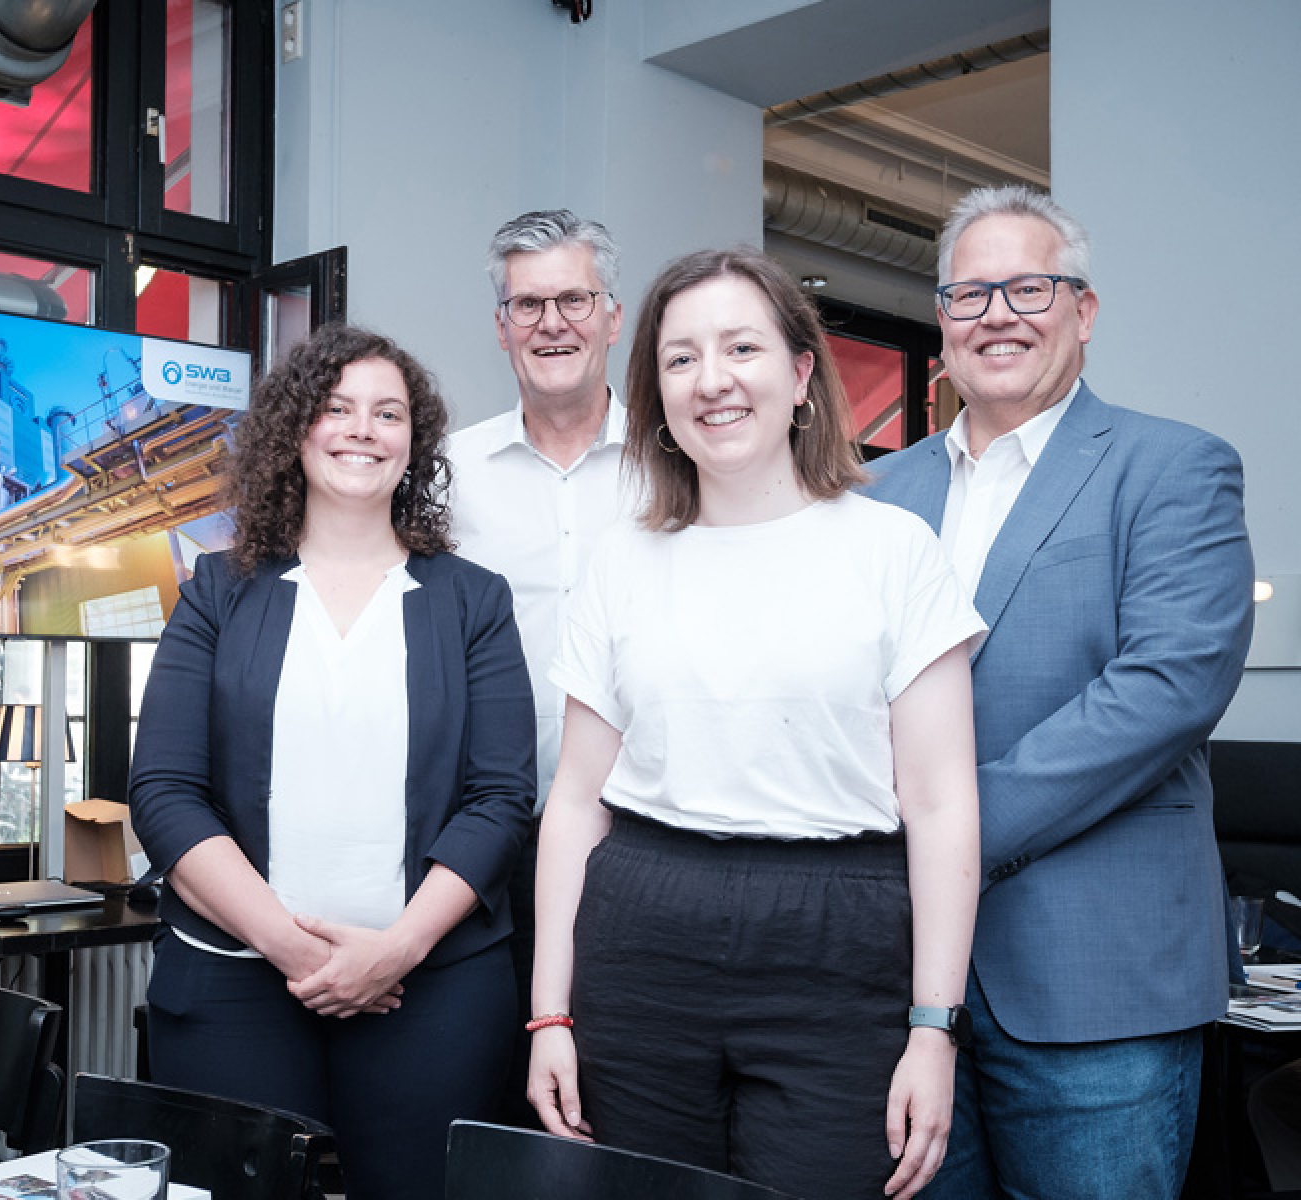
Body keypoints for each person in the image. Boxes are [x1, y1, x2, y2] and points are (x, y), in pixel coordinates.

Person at [528, 247, 983, 1200]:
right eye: (681, 357)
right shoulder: (622, 561)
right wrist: (549, 1018)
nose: (713, 380)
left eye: (742, 347)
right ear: (654, 388)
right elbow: (574, 803)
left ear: (802, 373)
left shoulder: (893, 549)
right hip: (643, 937)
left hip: (838, 938)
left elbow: (940, 807)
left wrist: (933, 1029)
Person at [868, 185, 1256, 1198]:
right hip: (895, 976)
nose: (996, 313)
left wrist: (947, 832)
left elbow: (1165, 688)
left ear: (1080, 312)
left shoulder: (1172, 466)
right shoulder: (872, 494)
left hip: (1095, 981)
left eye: (1025, 287)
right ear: (941, 325)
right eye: (968, 294)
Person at [128, 323, 536, 1200]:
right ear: (295, 429)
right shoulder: (218, 588)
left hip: (432, 988)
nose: (363, 429)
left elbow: (501, 798)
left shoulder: (472, 602)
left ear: (413, 445)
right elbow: (164, 793)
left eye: (388, 413)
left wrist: (394, 951)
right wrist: (291, 947)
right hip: (234, 982)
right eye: (338, 407)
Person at [445, 209, 632, 1125]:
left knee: (621, 1102)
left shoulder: (678, 466)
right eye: (528, 303)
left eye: (573, 299)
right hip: (484, 841)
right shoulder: (444, 475)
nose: (551, 321)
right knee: (489, 1102)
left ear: (613, 315)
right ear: (500, 325)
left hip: (637, 841)